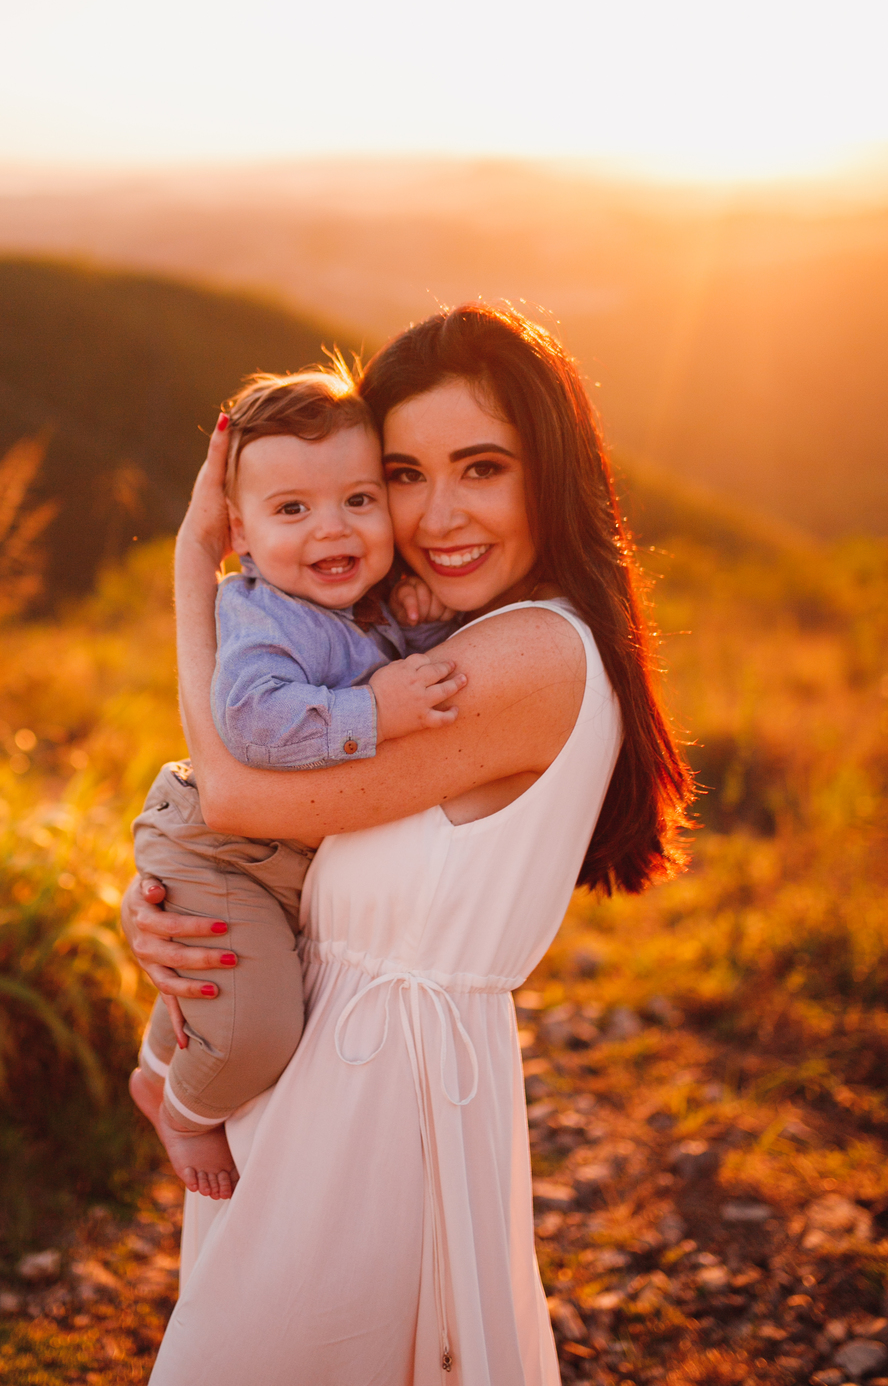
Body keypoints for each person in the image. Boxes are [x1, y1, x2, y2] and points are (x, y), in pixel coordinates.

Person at [124, 303, 695, 1386]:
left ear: (552, 472)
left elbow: (235, 796)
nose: (437, 516)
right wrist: (170, 908)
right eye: (401, 475)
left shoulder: (529, 658)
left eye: (482, 469)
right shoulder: (438, 635)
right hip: (326, 1080)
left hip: (374, 1112)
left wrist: (198, 566)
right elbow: (278, 838)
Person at [130, 364, 463, 1200]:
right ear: (238, 532)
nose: (332, 529)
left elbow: (406, 668)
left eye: (358, 499)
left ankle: (157, 1063)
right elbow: (253, 723)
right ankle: (181, 1110)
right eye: (292, 510)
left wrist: (427, 625)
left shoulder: (371, 603)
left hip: (270, 855)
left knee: (230, 979)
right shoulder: (261, 614)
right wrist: (376, 709)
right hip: (219, 847)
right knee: (260, 1031)